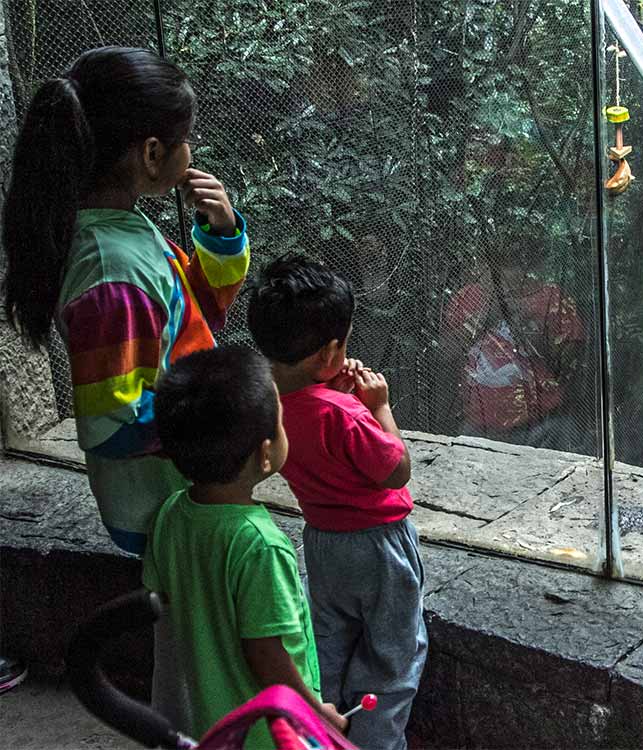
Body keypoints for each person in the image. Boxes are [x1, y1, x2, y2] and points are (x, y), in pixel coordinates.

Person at [0, 45, 249, 724]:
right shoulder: (112, 269)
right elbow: (112, 421)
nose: (192, 152)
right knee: (200, 650)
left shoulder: (119, 228)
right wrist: (222, 424)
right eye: (185, 138)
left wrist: (222, 234)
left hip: (177, 482)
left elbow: (195, 312)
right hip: (170, 495)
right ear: (151, 153)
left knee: (191, 639)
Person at [246, 255, 426, 750]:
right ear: (329, 352)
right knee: (393, 657)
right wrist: (379, 406)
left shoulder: (266, 402)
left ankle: (317, 731)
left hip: (324, 543)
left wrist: (330, 387)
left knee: (327, 641)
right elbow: (396, 469)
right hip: (380, 548)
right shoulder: (344, 413)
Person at [144, 346, 346, 746]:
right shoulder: (261, 546)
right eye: (282, 423)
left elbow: (163, 600)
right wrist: (315, 714)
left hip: (213, 724)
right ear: (265, 453)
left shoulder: (170, 514)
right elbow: (267, 655)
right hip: (270, 734)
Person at [442, 237, 587, 451]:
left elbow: (569, 366)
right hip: (478, 426)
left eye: (515, 265)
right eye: (497, 266)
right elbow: (445, 354)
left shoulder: (551, 299)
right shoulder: (467, 298)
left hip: (543, 426)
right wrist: (485, 317)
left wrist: (530, 326)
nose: (509, 274)